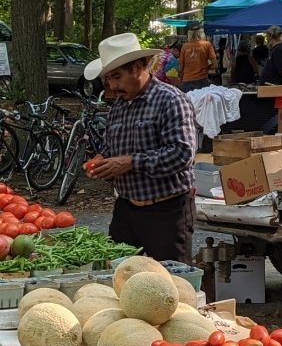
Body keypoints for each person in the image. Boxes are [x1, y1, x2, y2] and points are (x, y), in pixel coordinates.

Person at [83, 33, 198, 264]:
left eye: (117, 77)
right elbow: (112, 147)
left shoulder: (171, 100)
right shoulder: (119, 106)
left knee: (172, 283)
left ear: (138, 67)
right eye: (108, 79)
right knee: (118, 274)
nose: (112, 86)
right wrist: (102, 160)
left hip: (167, 210)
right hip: (126, 209)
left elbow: (182, 153)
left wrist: (130, 162)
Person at [178, 27, 218, 92]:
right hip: (202, 80)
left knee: (188, 101)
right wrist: (205, 67)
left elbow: (181, 67)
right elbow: (215, 65)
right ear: (202, 33)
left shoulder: (184, 46)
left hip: (187, 80)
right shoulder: (207, 44)